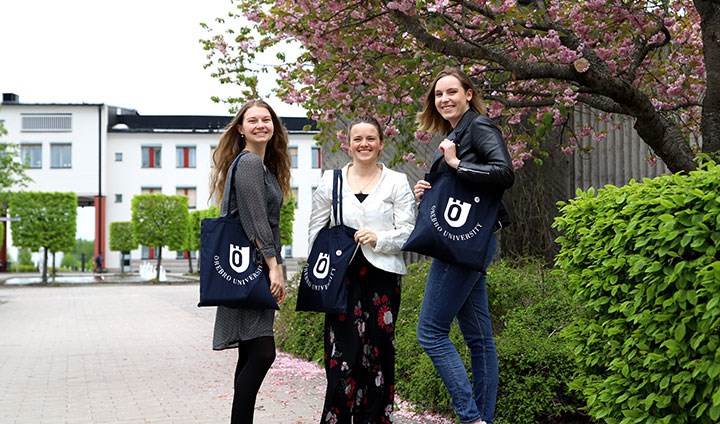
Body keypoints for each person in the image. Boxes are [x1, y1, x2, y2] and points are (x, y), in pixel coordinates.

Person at [413, 68, 515, 424]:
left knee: (430, 333)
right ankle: (481, 418)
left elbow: (504, 173)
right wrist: (428, 190)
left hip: (465, 244)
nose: (444, 99)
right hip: (471, 243)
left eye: (452, 91)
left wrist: (456, 164)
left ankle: (470, 418)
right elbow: (458, 188)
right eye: (438, 94)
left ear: (468, 94)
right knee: (479, 338)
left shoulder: (480, 127)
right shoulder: (457, 132)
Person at [308, 116, 417, 423]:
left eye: (371, 138)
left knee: (379, 354)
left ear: (381, 143)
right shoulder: (331, 181)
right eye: (358, 139)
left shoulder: (397, 181)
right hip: (342, 278)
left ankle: (375, 418)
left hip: (383, 276)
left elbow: (409, 230)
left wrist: (379, 238)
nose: (364, 144)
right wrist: (317, 273)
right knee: (343, 353)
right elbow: (316, 229)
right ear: (348, 144)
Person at [208, 99, 291, 424]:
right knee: (261, 351)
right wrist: (274, 267)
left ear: (274, 126)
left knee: (250, 351)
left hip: (248, 268)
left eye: (266, 119)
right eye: (253, 120)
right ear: (240, 128)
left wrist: (275, 264)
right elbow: (256, 221)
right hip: (250, 268)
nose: (260, 125)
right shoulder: (248, 164)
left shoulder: (260, 164)